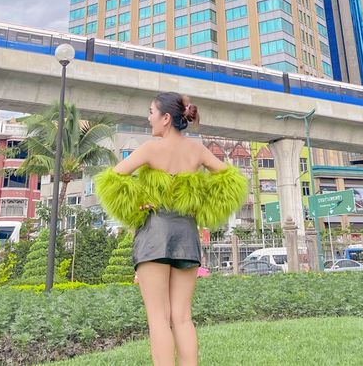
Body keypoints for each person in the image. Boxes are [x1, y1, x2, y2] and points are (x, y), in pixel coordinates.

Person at [95, 92, 248, 366]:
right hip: (187, 234)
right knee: (183, 317)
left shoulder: (150, 148)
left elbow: (113, 177)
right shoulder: (198, 150)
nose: (149, 117)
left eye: (151, 112)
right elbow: (231, 180)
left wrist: (139, 202)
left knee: (158, 319)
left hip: (154, 234)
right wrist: (199, 202)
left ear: (166, 118)